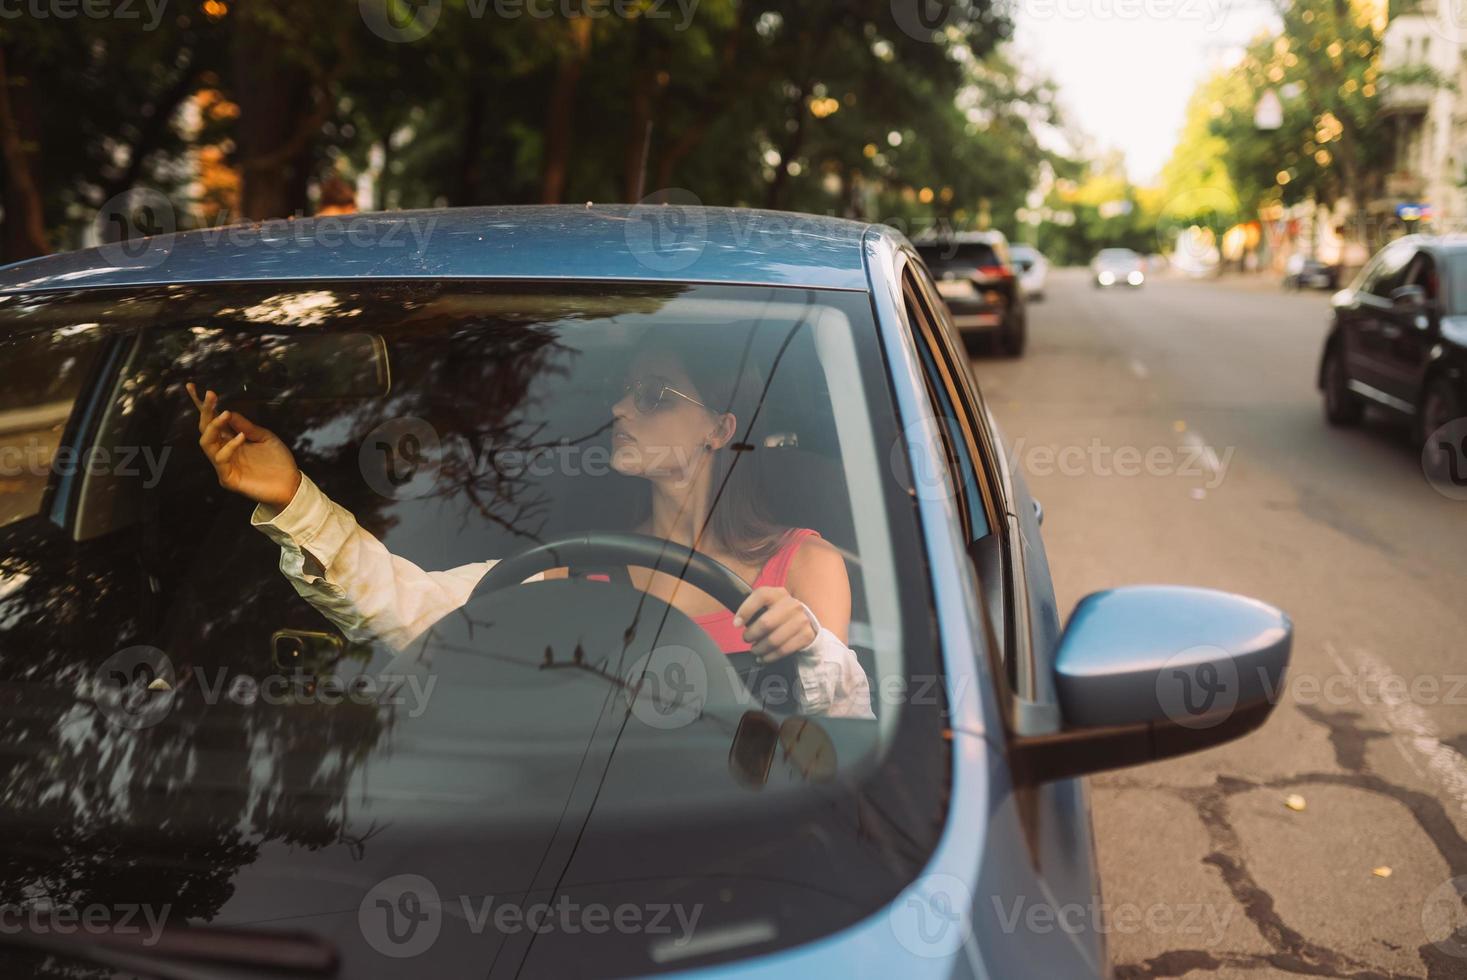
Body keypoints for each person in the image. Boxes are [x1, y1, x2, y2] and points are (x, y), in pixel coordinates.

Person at [185, 332, 873, 719]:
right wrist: (292, 496)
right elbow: (411, 609)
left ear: (719, 430)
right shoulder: (579, 568)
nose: (622, 410)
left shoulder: (803, 565)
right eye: (623, 392)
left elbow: (836, 728)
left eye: (653, 396)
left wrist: (805, 645)